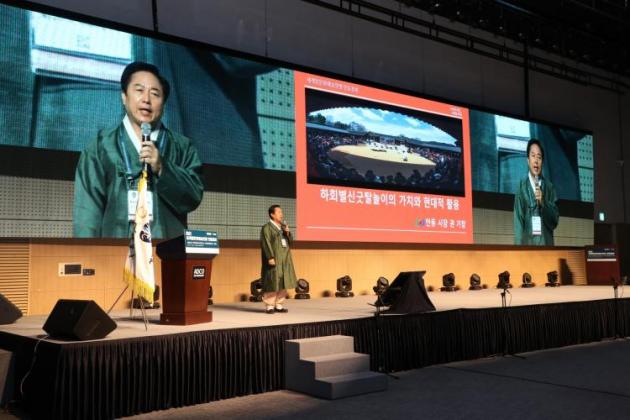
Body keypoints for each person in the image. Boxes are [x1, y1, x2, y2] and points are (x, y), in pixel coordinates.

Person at [73, 62, 204, 238]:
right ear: (124, 97)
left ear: (164, 103)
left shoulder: (182, 147)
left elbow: (193, 198)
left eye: (155, 93)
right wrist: (88, 252)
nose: (146, 99)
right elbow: (87, 213)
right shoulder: (100, 146)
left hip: (168, 250)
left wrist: (162, 168)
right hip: (116, 251)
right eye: (139, 90)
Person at [514, 139, 559, 245]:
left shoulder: (549, 187)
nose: (536, 161)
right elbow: (518, 223)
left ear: (542, 161)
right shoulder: (521, 187)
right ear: (528, 160)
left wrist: (543, 202)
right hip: (528, 249)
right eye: (533, 156)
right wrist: (518, 250)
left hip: (546, 248)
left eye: (539, 157)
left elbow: (554, 222)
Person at [260, 205, 298, 314]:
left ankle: (279, 304)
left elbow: (290, 242)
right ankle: (270, 305)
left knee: (283, 281)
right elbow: (266, 243)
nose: (281, 214)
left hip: (285, 259)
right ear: (272, 214)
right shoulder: (267, 228)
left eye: (281, 212)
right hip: (274, 259)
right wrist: (270, 257)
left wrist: (287, 232)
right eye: (279, 212)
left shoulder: (282, 228)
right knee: (272, 281)